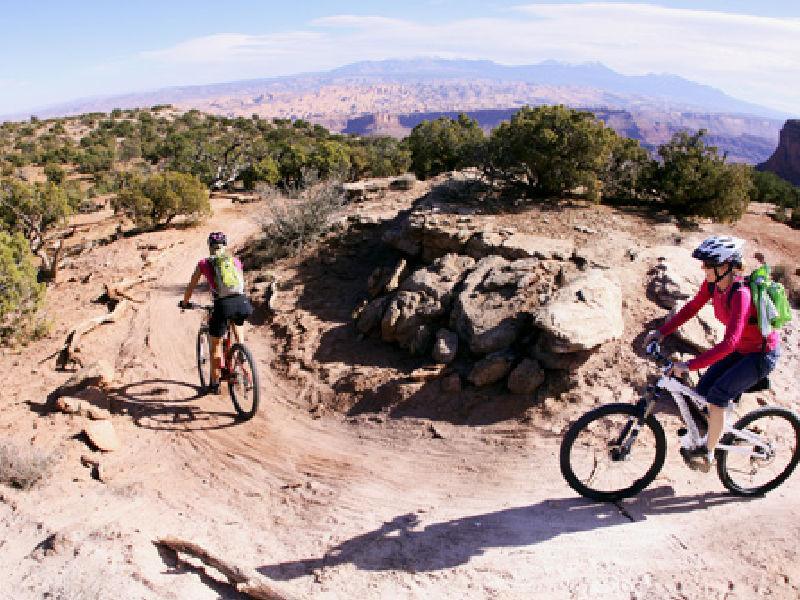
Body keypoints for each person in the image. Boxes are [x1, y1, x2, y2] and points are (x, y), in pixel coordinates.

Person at [643, 235, 781, 471]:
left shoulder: (741, 294)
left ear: (726, 266)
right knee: (703, 393)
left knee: (716, 397)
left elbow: (729, 343)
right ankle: (727, 431)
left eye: (709, 264)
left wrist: (690, 365)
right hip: (741, 350)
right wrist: (663, 331)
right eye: (704, 263)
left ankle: (708, 454)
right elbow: (692, 308)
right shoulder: (712, 286)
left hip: (760, 355)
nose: (703, 267)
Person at [180, 231, 253, 394]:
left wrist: (185, 302)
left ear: (209, 247)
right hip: (242, 302)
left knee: (216, 346)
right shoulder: (234, 260)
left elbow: (191, 286)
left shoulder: (204, 263)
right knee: (237, 323)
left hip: (222, 305)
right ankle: (241, 352)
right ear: (225, 245)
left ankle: (214, 384)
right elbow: (241, 282)